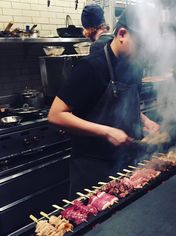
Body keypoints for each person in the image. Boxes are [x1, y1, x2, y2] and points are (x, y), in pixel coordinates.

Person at [48, 6, 160, 199]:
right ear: (122, 34)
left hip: (124, 163)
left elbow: (124, 103)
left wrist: (145, 121)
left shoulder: (133, 67)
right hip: (92, 167)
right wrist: (107, 131)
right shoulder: (91, 67)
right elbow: (56, 114)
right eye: (142, 47)